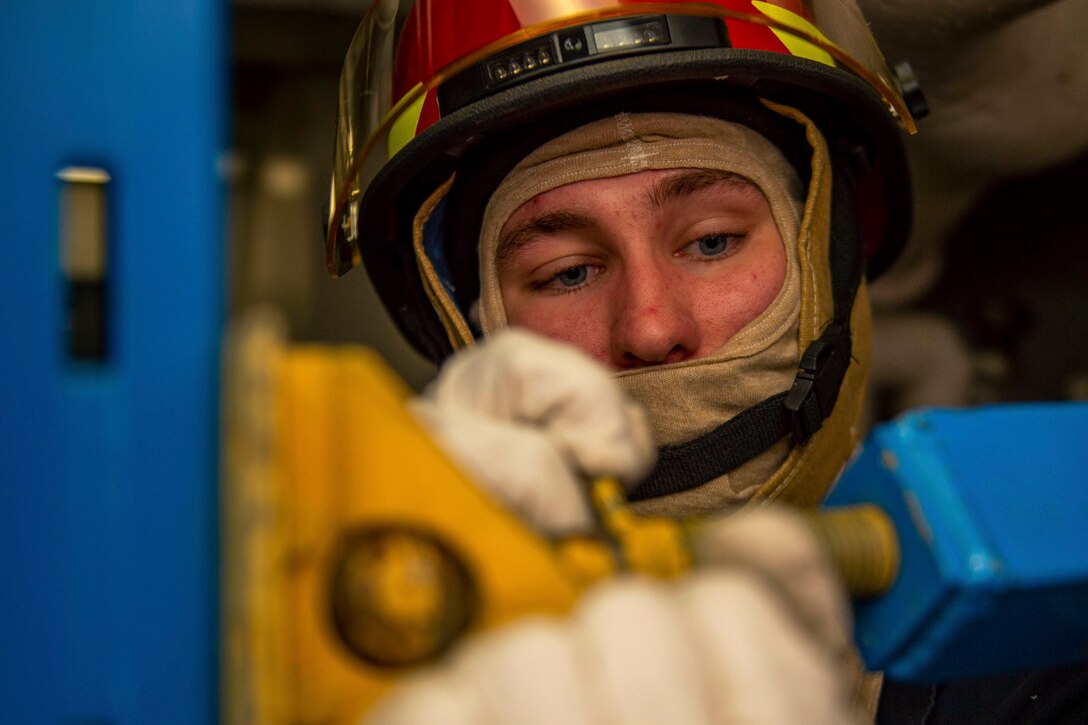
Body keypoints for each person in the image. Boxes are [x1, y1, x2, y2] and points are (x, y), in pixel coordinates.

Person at [322, 1, 1082, 722]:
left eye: (713, 240)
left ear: (831, 257)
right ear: (467, 329)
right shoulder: (373, 654)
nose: (651, 328)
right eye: (568, 272)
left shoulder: (1047, 652)